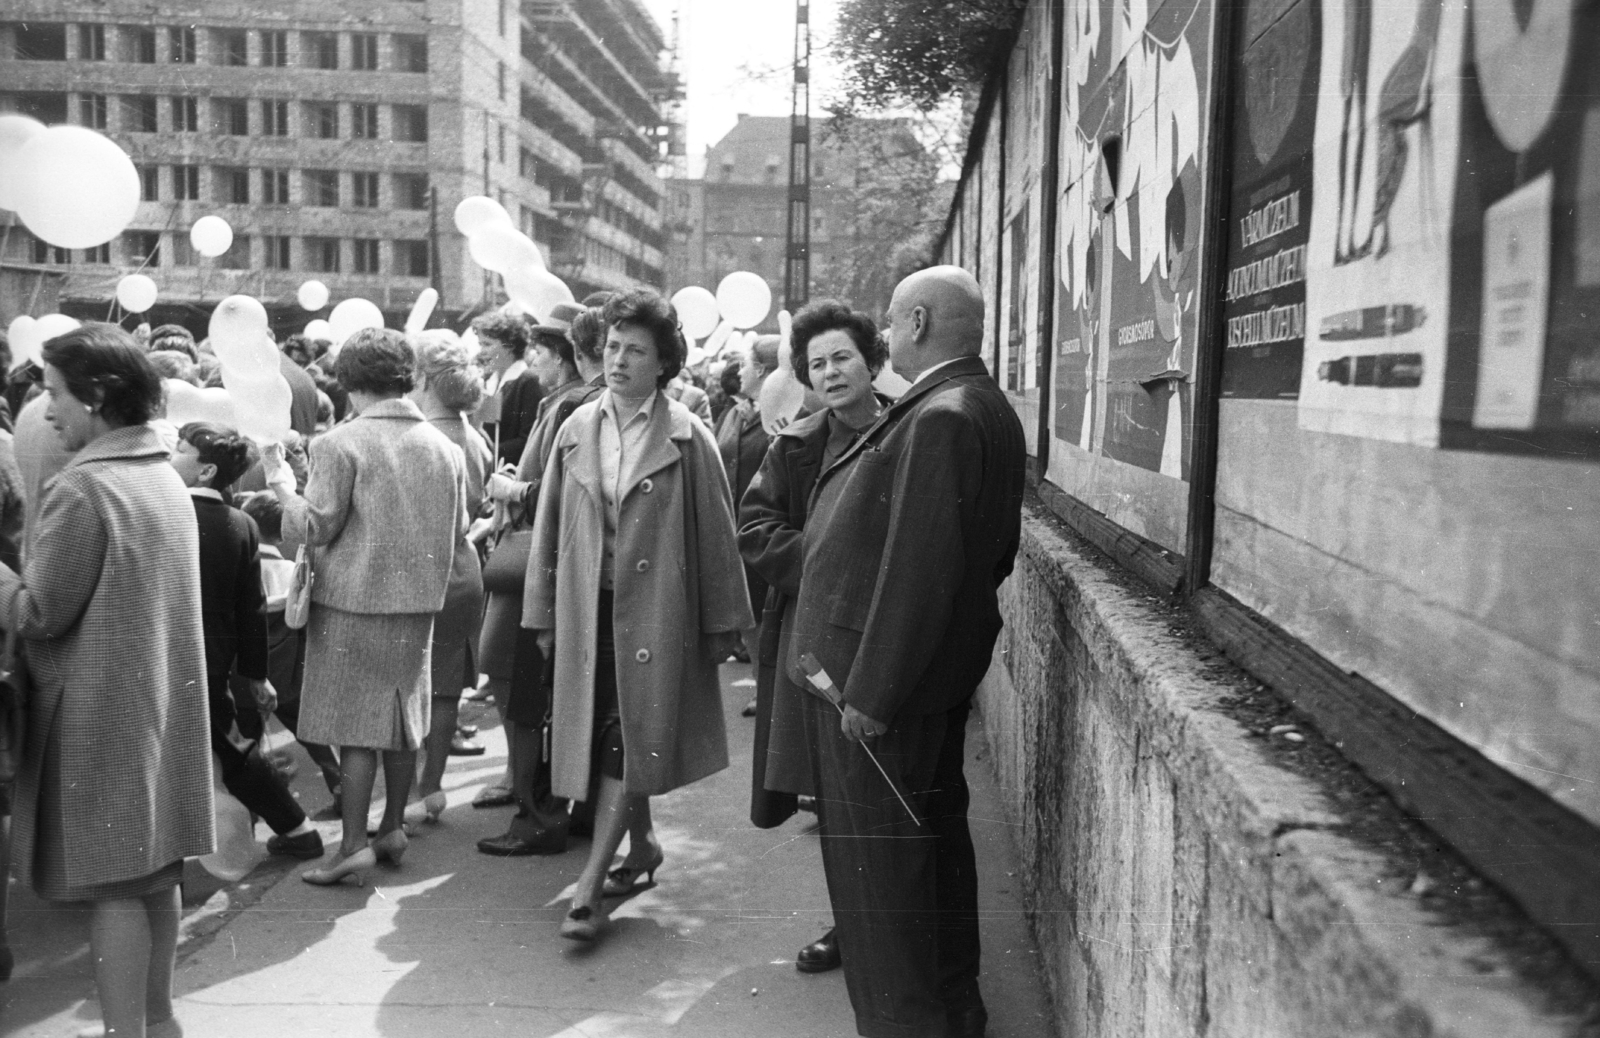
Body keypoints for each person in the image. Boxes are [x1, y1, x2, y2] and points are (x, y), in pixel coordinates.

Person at [786, 267, 1026, 1038]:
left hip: (884, 699)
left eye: (889, 324)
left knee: (885, 896)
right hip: (919, 689)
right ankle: (954, 1010)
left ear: (918, 321)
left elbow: (919, 572)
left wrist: (872, 694)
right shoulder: (970, 405)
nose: (884, 339)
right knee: (931, 863)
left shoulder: (943, 415)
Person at [0, 323, 214, 1038]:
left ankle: (128, 1032)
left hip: (98, 713)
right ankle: (157, 1023)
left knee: (114, 887)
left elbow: (39, 613)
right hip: (154, 706)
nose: (47, 409)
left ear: (95, 397)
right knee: (153, 877)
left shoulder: (84, 488)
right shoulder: (161, 474)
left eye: (56, 394)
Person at [525, 289, 752, 942]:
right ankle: (642, 845)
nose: (619, 361)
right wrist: (543, 614)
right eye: (614, 347)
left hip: (658, 614)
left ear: (664, 363)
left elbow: (717, 534)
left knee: (630, 733)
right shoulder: (576, 428)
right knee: (613, 734)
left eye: (636, 351)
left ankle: (589, 888)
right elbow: (549, 528)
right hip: (587, 608)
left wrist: (723, 626)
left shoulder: (688, 434)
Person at [266, 328, 467, 886]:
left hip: (352, 604)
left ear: (350, 383)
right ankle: (392, 829)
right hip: (420, 603)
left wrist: (283, 483)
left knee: (356, 730)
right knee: (402, 721)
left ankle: (353, 844)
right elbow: (459, 530)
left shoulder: (339, 444)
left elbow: (314, 525)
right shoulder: (443, 446)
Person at [738, 300, 892, 975]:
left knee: (886, 784)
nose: (831, 373)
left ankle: (893, 923)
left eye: (843, 358)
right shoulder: (794, 446)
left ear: (872, 362)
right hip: (812, 641)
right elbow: (755, 527)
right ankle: (850, 923)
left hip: (890, 633)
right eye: (817, 364)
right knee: (830, 791)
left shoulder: (912, 433)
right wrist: (829, 573)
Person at [477, 305, 603, 856]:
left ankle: (534, 813)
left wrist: (510, 491)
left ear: (569, 353)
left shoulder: (572, 405)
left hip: (541, 563)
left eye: (541, 351)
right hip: (564, 561)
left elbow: (550, 489)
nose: (534, 362)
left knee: (524, 689)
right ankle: (568, 809)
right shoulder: (575, 401)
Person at [170, 423, 324, 860]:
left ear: (206, 471)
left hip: (175, 653)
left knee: (228, 749)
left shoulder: (171, 514)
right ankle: (296, 829)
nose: (171, 454)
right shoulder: (241, 523)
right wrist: (256, 674)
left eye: (180, 450)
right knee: (227, 744)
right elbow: (250, 607)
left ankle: (297, 829)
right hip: (216, 659)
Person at [403, 332, 491, 826]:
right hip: (463, 567)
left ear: (423, 379)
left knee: (409, 686)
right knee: (446, 689)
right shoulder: (471, 434)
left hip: (423, 570)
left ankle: (410, 793)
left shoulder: (423, 438)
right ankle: (431, 787)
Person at [235, 491, 343, 818]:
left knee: (247, 743)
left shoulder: (242, 569)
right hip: (289, 671)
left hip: (245, 672)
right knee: (314, 738)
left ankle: (252, 813)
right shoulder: (291, 570)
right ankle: (340, 790)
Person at [717, 335, 781, 675]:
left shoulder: (787, 414)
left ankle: (767, 687)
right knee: (746, 615)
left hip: (765, 534)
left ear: (761, 369)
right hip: (732, 532)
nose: (738, 371)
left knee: (764, 616)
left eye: (744, 364)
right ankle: (761, 682)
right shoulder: (735, 413)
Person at [473, 311, 545, 466]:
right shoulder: (488, 381)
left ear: (509, 346)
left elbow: (528, 440)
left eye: (487, 344)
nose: (481, 351)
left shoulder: (528, 382)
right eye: (480, 344)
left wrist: (487, 453)